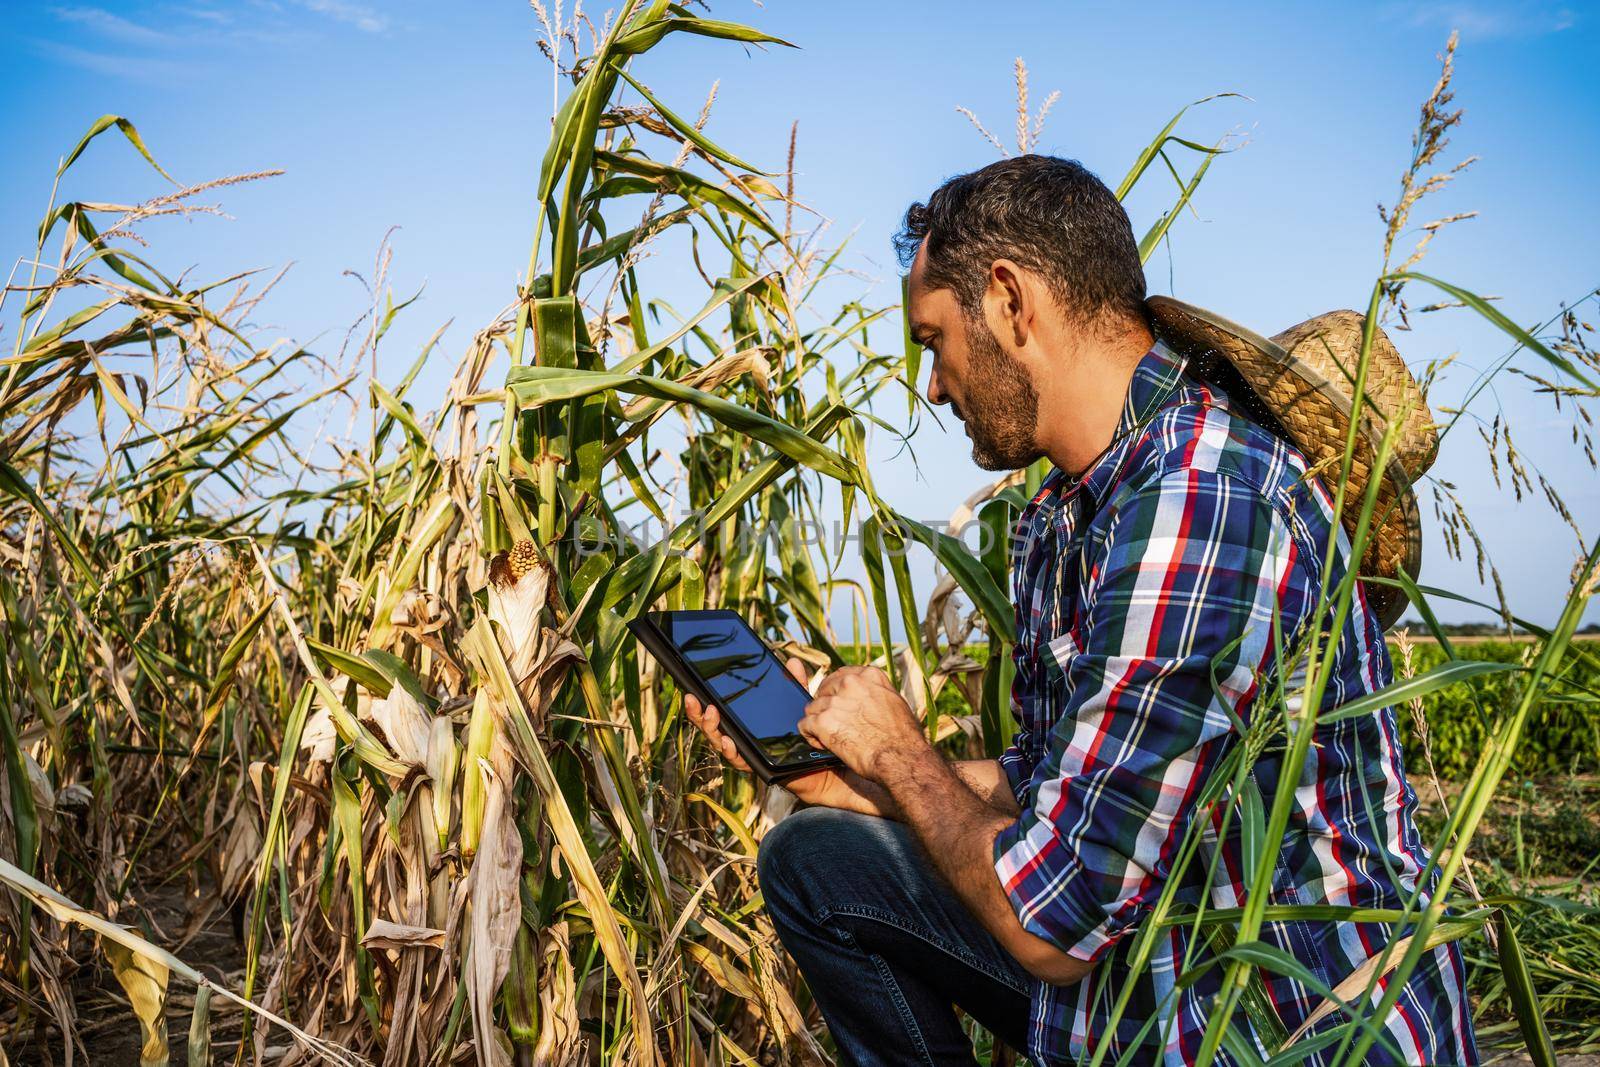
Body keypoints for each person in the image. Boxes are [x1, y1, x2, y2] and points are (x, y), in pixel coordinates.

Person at [684, 155, 1478, 1066]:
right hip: (1146, 969)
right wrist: (849, 772)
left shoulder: (1198, 501)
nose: (933, 385)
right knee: (814, 857)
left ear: (1010, 301)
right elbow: (1051, 775)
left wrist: (903, 753)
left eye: (933, 339)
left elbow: (1050, 923)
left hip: (1270, 1023)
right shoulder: (1070, 512)